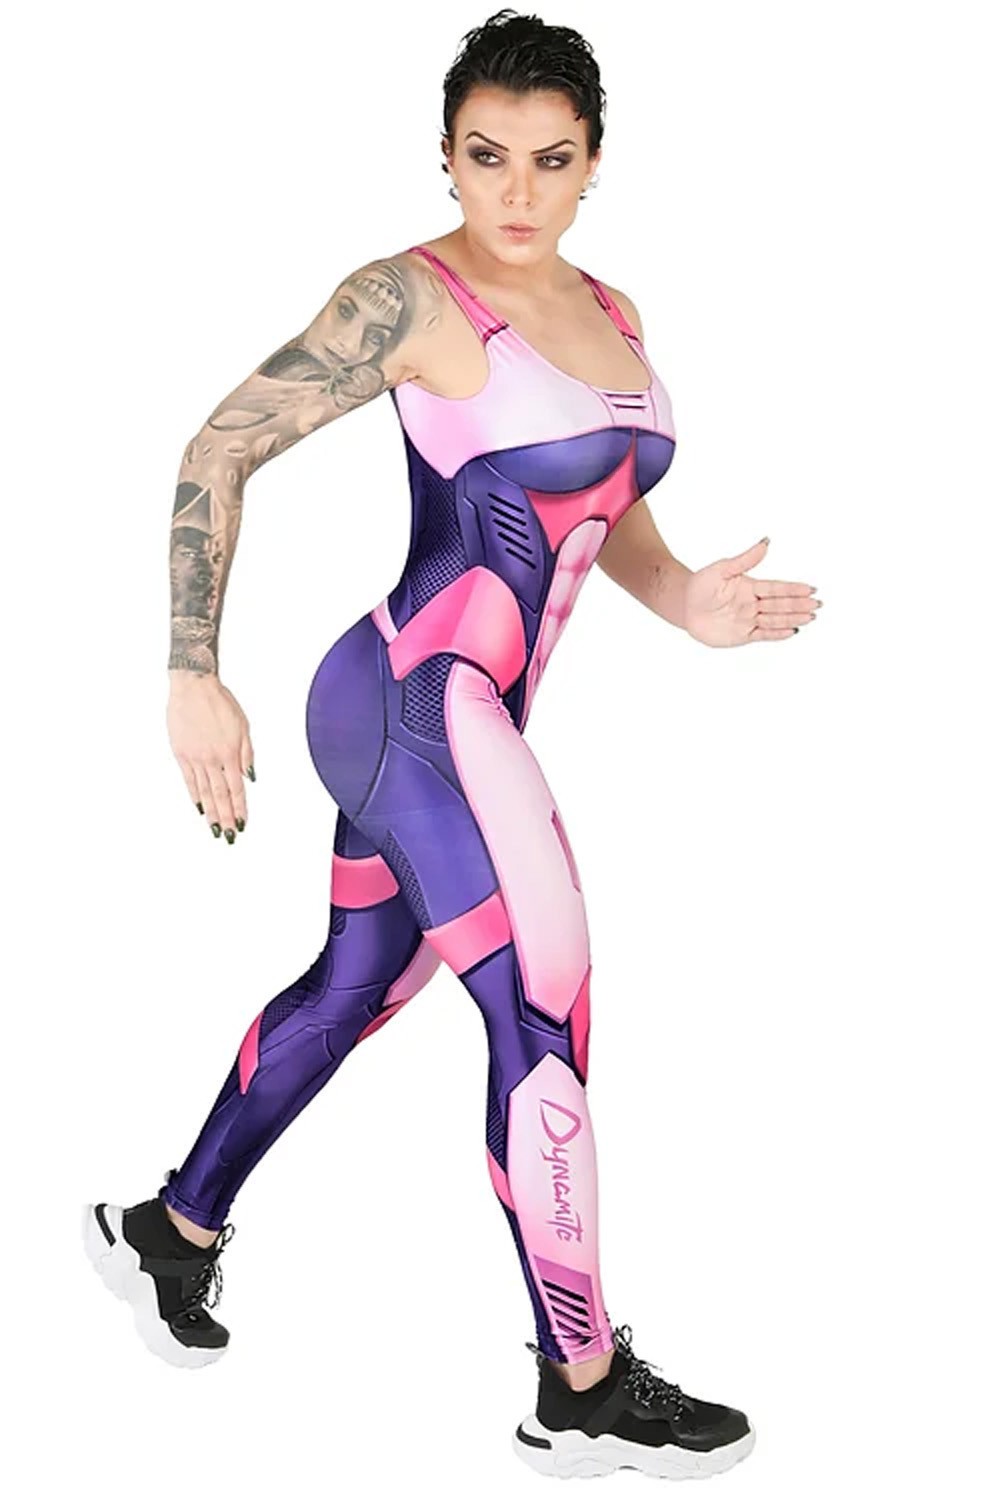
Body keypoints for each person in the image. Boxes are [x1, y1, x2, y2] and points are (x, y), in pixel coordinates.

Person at [83, 8, 820, 1480]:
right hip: (412, 701)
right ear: (447, 157)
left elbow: (606, 514)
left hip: (456, 716)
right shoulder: (407, 300)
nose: (517, 191)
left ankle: (172, 1226)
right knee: (545, 999)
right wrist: (191, 673)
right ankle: (579, 1379)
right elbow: (219, 447)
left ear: (594, 161)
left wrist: (688, 600)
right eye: (487, 157)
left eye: (550, 159)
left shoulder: (615, 311)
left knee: (357, 984)